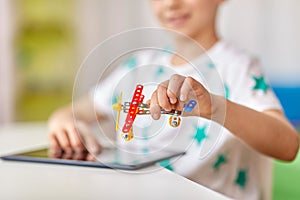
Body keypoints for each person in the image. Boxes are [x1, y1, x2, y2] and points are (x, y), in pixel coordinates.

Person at [48, 0, 299, 199]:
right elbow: (74, 112)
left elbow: (287, 145)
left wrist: (216, 107)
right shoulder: (138, 66)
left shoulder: (239, 68)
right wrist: (65, 123)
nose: (171, 3)